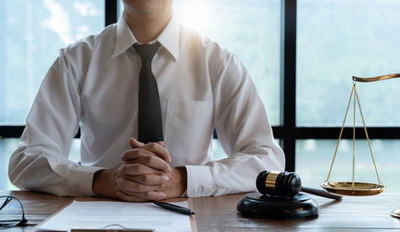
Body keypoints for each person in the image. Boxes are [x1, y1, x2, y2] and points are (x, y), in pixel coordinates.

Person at [8, 0, 284, 201]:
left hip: (194, 219)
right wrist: (100, 180)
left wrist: (184, 180)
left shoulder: (216, 62)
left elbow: (266, 158)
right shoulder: (76, 60)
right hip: (98, 222)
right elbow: (25, 160)